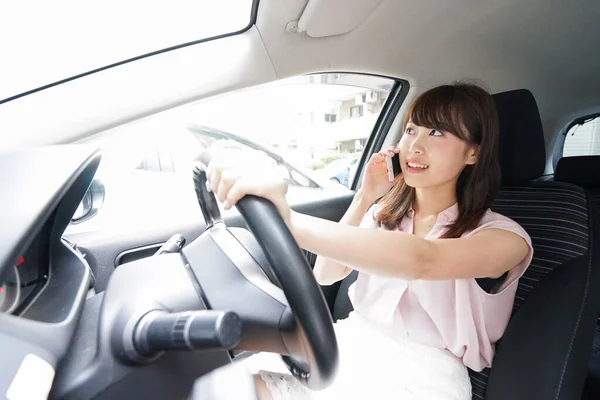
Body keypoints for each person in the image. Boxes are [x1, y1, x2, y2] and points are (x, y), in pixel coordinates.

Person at [204, 82, 533, 399]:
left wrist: (288, 221)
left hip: (424, 376)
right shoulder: (384, 213)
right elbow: (326, 274)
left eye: (436, 133)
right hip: (349, 343)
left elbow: (423, 259)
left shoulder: (504, 237)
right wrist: (365, 196)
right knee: (225, 384)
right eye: (410, 130)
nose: (414, 146)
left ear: (473, 153)